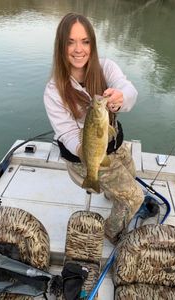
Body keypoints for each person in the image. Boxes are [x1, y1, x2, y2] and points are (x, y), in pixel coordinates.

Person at [44, 12, 144, 244]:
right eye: (70, 42)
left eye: (85, 41)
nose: (79, 49)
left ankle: (111, 192)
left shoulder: (106, 68)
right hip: (83, 158)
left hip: (113, 145)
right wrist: (89, 154)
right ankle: (111, 230)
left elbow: (128, 90)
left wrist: (120, 98)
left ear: (93, 44)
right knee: (135, 197)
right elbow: (67, 133)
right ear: (61, 46)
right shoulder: (53, 91)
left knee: (131, 176)